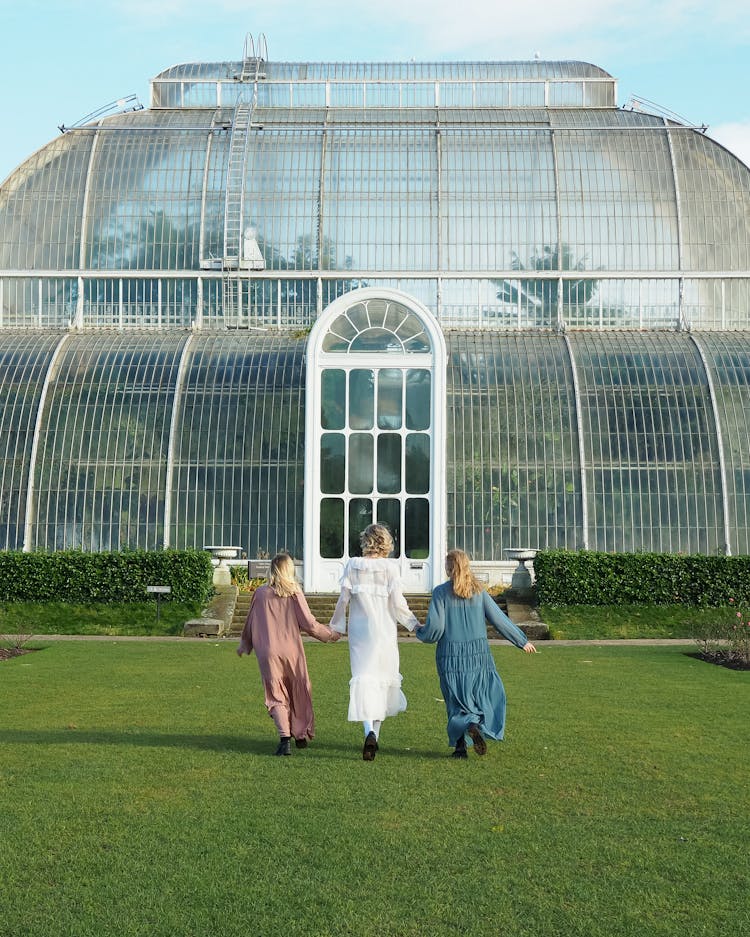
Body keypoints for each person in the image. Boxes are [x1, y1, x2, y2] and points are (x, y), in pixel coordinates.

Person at [415, 548, 537, 759]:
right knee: (482, 694)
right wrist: (521, 640)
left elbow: (435, 628)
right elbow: (499, 619)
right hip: (478, 654)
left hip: (450, 655)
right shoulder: (479, 592)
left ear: (450, 567)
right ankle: (474, 724)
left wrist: (419, 631)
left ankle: (461, 747)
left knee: (455, 700)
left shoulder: (441, 592)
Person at [330, 523, 419, 761]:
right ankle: (374, 737)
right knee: (382, 682)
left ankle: (369, 731)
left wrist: (336, 627)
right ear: (385, 543)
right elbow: (399, 605)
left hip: (359, 633)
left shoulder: (352, 566)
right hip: (383, 632)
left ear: (366, 542)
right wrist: (415, 625)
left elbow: (343, 600)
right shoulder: (390, 568)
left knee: (363, 680)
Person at [237, 552, 340, 756]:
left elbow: (250, 622)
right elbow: (309, 623)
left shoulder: (260, 593)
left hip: (268, 652)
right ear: (289, 570)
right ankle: (300, 733)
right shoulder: (294, 593)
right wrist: (330, 635)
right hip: (291, 650)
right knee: (299, 688)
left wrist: (245, 644)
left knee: (276, 693)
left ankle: (285, 739)